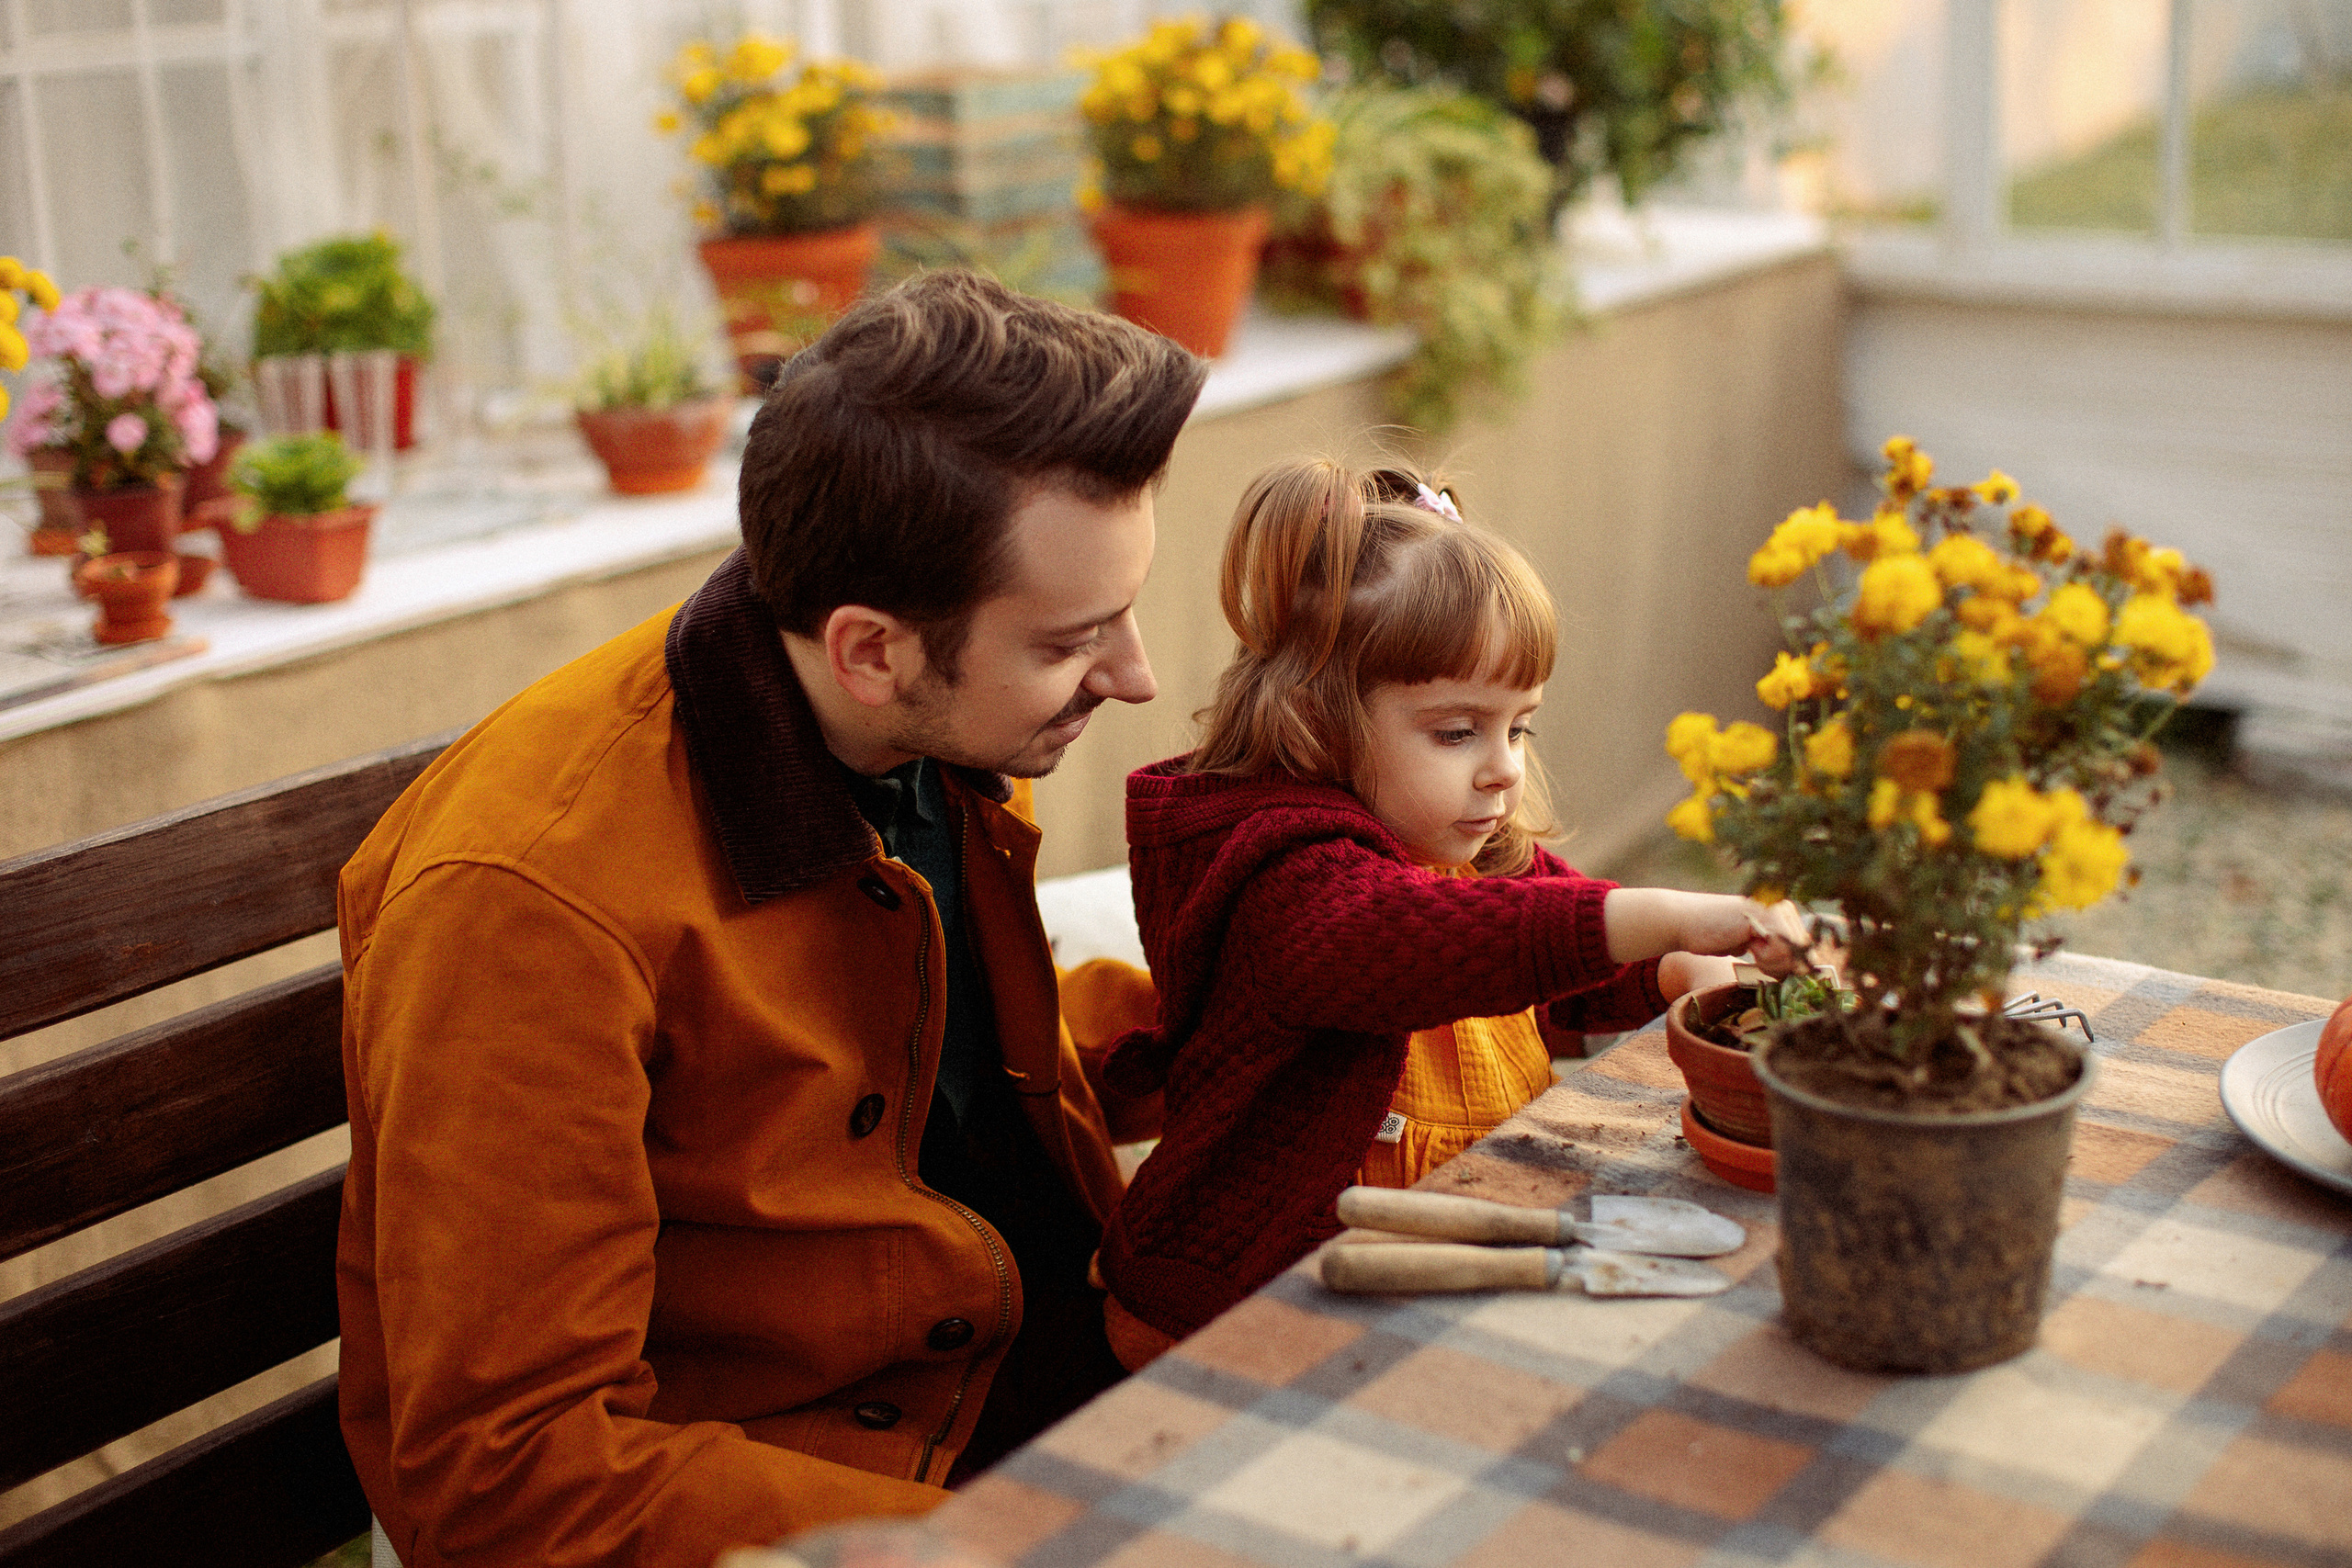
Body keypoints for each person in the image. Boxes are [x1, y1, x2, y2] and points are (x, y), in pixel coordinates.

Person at [334, 272, 1206, 1568]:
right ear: (872, 649)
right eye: (1075, 638)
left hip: (1069, 1388)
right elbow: (509, 1474)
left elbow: (914, 1075)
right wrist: (1027, 1539)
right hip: (853, 1498)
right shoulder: (525, 903)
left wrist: (1241, 1012)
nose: (1135, 676)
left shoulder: (901, 717)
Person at [1094, 457, 1808, 1367]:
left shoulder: (1460, 845)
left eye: (1519, 726)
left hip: (1440, 1265)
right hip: (1243, 1317)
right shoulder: (1285, 882)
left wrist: (1674, 968)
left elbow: (1565, 948)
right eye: (1455, 730)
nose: (1504, 765)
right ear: (1314, 720)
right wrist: (1659, 915)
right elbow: (1421, 943)